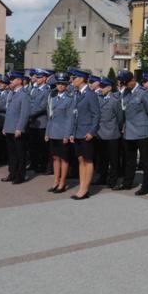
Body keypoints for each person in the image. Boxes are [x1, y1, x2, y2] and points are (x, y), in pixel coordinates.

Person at [113, 70, 148, 195]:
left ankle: (147, 186)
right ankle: (127, 183)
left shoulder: (143, 93)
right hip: (129, 131)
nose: (124, 85)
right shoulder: (125, 92)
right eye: (123, 83)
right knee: (129, 160)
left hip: (143, 131)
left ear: (132, 80)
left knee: (147, 161)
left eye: (126, 83)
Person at [68, 67, 100, 200]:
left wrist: (92, 132)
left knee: (87, 160)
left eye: (74, 78)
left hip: (86, 132)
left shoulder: (90, 94)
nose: (72, 80)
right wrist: (71, 132)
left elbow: (96, 115)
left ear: (81, 79)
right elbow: (74, 115)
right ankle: (82, 186)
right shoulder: (77, 93)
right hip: (77, 132)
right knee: (80, 160)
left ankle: (85, 189)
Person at [45, 73, 75, 193]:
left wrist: (67, 135)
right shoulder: (52, 97)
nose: (60, 86)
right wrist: (47, 132)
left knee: (64, 158)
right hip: (53, 131)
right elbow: (50, 117)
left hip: (63, 132)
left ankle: (62, 182)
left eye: (63, 84)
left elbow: (70, 118)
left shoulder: (69, 99)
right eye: (58, 83)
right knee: (55, 157)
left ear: (67, 85)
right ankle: (55, 181)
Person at [1, 71, 31, 184]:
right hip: (9, 127)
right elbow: (8, 112)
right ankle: (12, 173)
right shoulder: (12, 93)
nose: (11, 81)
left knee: (20, 154)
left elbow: (24, 113)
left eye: (13, 79)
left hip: (17, 129)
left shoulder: (24, 95)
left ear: (19, 80)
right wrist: (5, 127)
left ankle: (20, 176)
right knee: (11, 154)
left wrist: (20, 128)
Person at [95, 77, 123, 189]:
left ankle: (113, 180)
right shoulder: (98, 99)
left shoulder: (115, 101)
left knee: (113, 159)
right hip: (100, 133)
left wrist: (117, 128)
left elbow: (120, 118)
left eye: (103, 87)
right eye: (100, 86)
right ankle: (102, 178)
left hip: (112, 133)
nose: (100, 89)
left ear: (109, 88)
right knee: (102, 158)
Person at [27, 68, 51, 174]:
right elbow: (30, 103)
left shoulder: (47, 90)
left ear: (45, 78)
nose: (37, 79)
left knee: (42, 147)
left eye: (39, 77)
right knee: (33, 145)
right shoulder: (35, 89)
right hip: (32, 122)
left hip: (41, 122)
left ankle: (43, 165)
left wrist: (31, 114)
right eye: (36, 77)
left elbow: (43, 106)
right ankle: (34, 164)